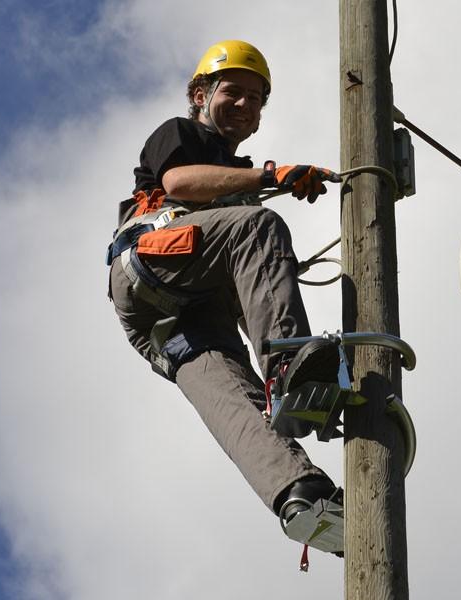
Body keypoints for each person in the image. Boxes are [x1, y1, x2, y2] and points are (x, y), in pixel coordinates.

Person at [106, 40, 344, 551]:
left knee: (236, 402)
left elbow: (250, 290)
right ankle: (288, 369)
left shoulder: (237, 194)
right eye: (233, 92)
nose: (245, 105)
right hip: (153, 262)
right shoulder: (180, 133)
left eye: (256, 99)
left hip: (172, 322)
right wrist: (269, 177)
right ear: (200, 93)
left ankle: (301, 498)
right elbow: (180, 181)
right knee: (258, 227)